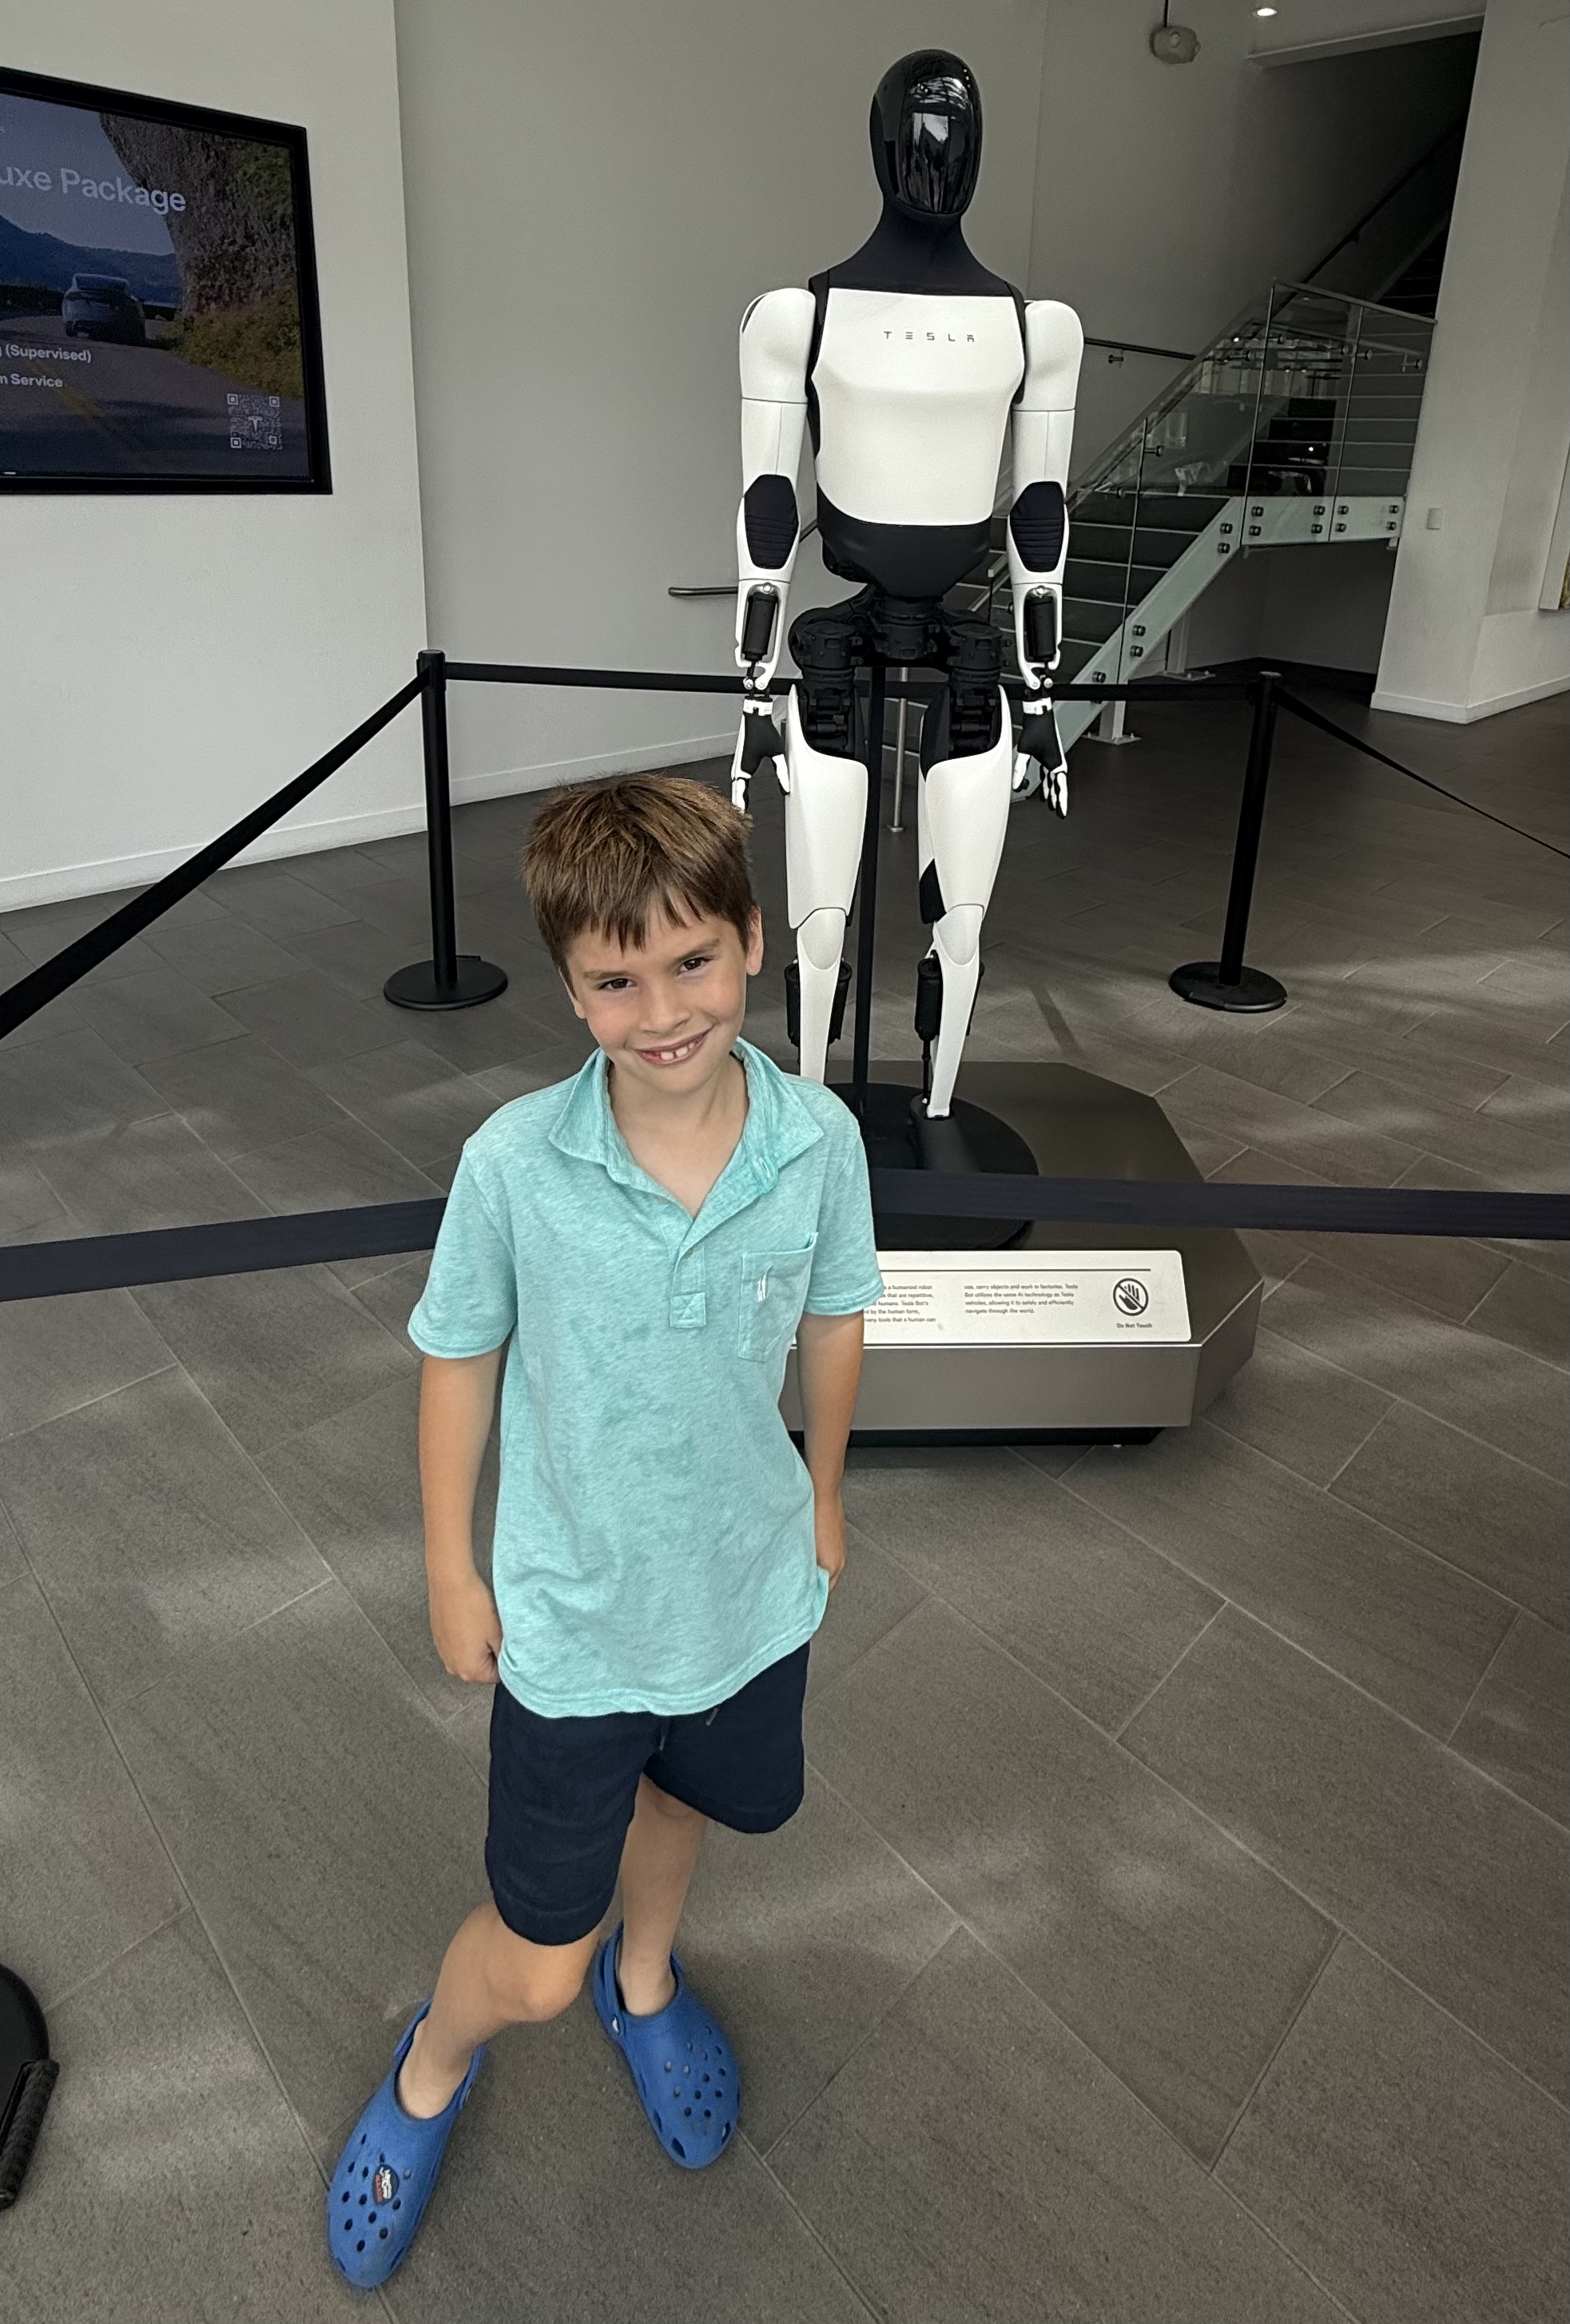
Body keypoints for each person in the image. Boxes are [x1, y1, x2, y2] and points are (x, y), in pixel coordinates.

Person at [328, 774, 883, 2289]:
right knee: (531, 1951)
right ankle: (435, 2063)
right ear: (569, 986)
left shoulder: (817, 1141)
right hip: (575, 1627)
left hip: (744, 1595)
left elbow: (833, 1322)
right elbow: (460, 1358)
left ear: (754, 941)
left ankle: (648, 1986)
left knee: (688, 1809)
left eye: (691, 961)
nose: (661, 1011)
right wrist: (450, 1564)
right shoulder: (516, 1162)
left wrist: (822, 1496)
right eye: (615, 979)